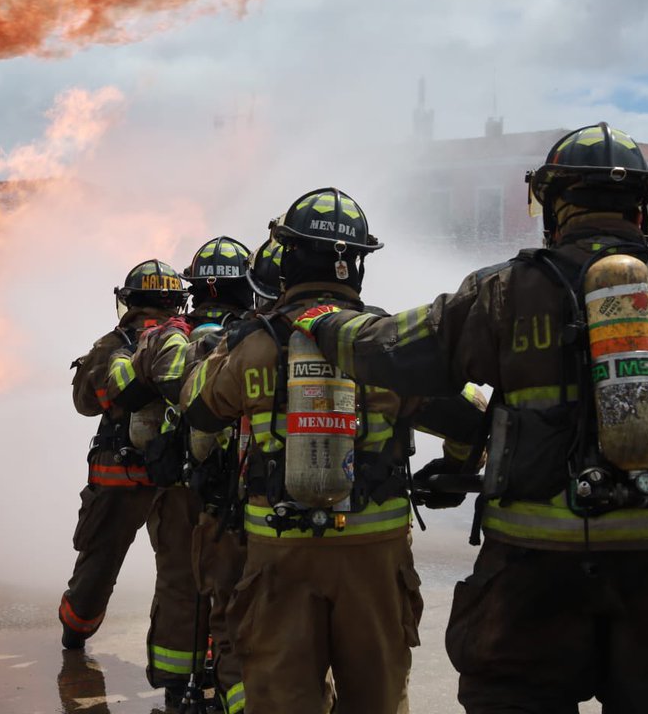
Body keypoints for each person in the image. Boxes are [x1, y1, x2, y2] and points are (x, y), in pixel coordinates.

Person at [294, 124, 648, 712]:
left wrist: (322, 319)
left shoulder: (503, 292)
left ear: (553, 204)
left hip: (533, 573)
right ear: (642, 207)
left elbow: (392, 350)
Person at [181, 189, 487, 714]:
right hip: (375, 553)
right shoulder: (387, 345)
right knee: (377, 698)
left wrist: (216, 353)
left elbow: (200, 413)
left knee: (281, 698)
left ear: (288, 260)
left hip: (279, 551)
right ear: (358, 265)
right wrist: (454, 471)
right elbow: (470, 419)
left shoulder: (254, 343)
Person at [113, 236, 254, 711]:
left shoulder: (165, 337)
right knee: (233, 591)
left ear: (196, 288)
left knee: (178, 583)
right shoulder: (257, 338)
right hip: (236, 492)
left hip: (174, 489)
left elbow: (121, 393)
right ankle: (232, 692)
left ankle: (177, 686)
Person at [59, 260, 189, 663]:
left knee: (99, 561)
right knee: (181, 571)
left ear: (129, 302)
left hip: (121, 474)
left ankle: (76, 631)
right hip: (178, 475)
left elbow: (84, 403)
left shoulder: (112, 345)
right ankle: (185, 659)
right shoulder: (193, 339)